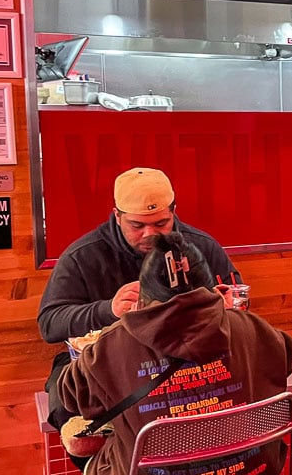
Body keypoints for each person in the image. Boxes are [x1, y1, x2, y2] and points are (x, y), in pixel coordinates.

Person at [58, 232, 292, 475]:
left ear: (143, 293)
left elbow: (71, 396)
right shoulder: (251, 327)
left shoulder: (111, 346)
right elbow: (286, 358)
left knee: (85, 436)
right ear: (211, 286)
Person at [38, 167, 240, 434]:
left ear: (174, 211)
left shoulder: (199, 246)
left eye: (160, 224)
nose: (149, 234)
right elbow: (50, 323)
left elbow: (237, 296)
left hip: (188, 362)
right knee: (65, 394)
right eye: (137, 225)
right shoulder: (83, 256)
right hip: (115, 364)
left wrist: (228, 305)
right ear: (117, 216)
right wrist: (108, 309)